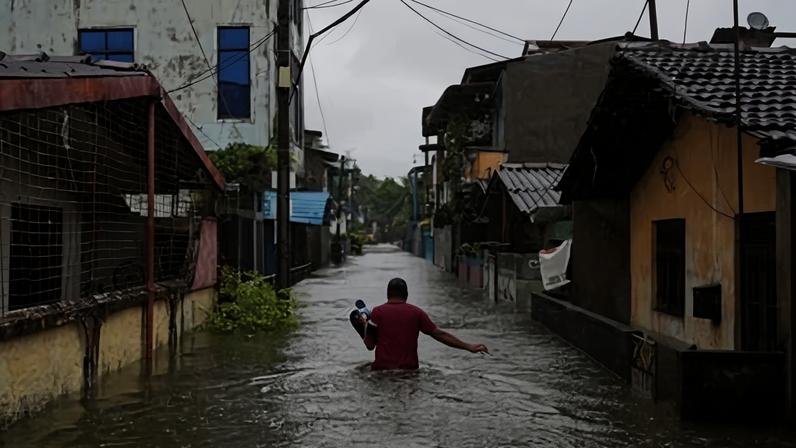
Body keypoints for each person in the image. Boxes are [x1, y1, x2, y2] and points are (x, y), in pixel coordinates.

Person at [360, 278, 489, 370]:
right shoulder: (416, 313)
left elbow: (370, 345)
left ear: (388, 294)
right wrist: (468, 346)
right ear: (406, 295)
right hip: (409, 373)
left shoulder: (377, 313)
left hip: (383, 372)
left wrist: (365, 326)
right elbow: (440, 334)